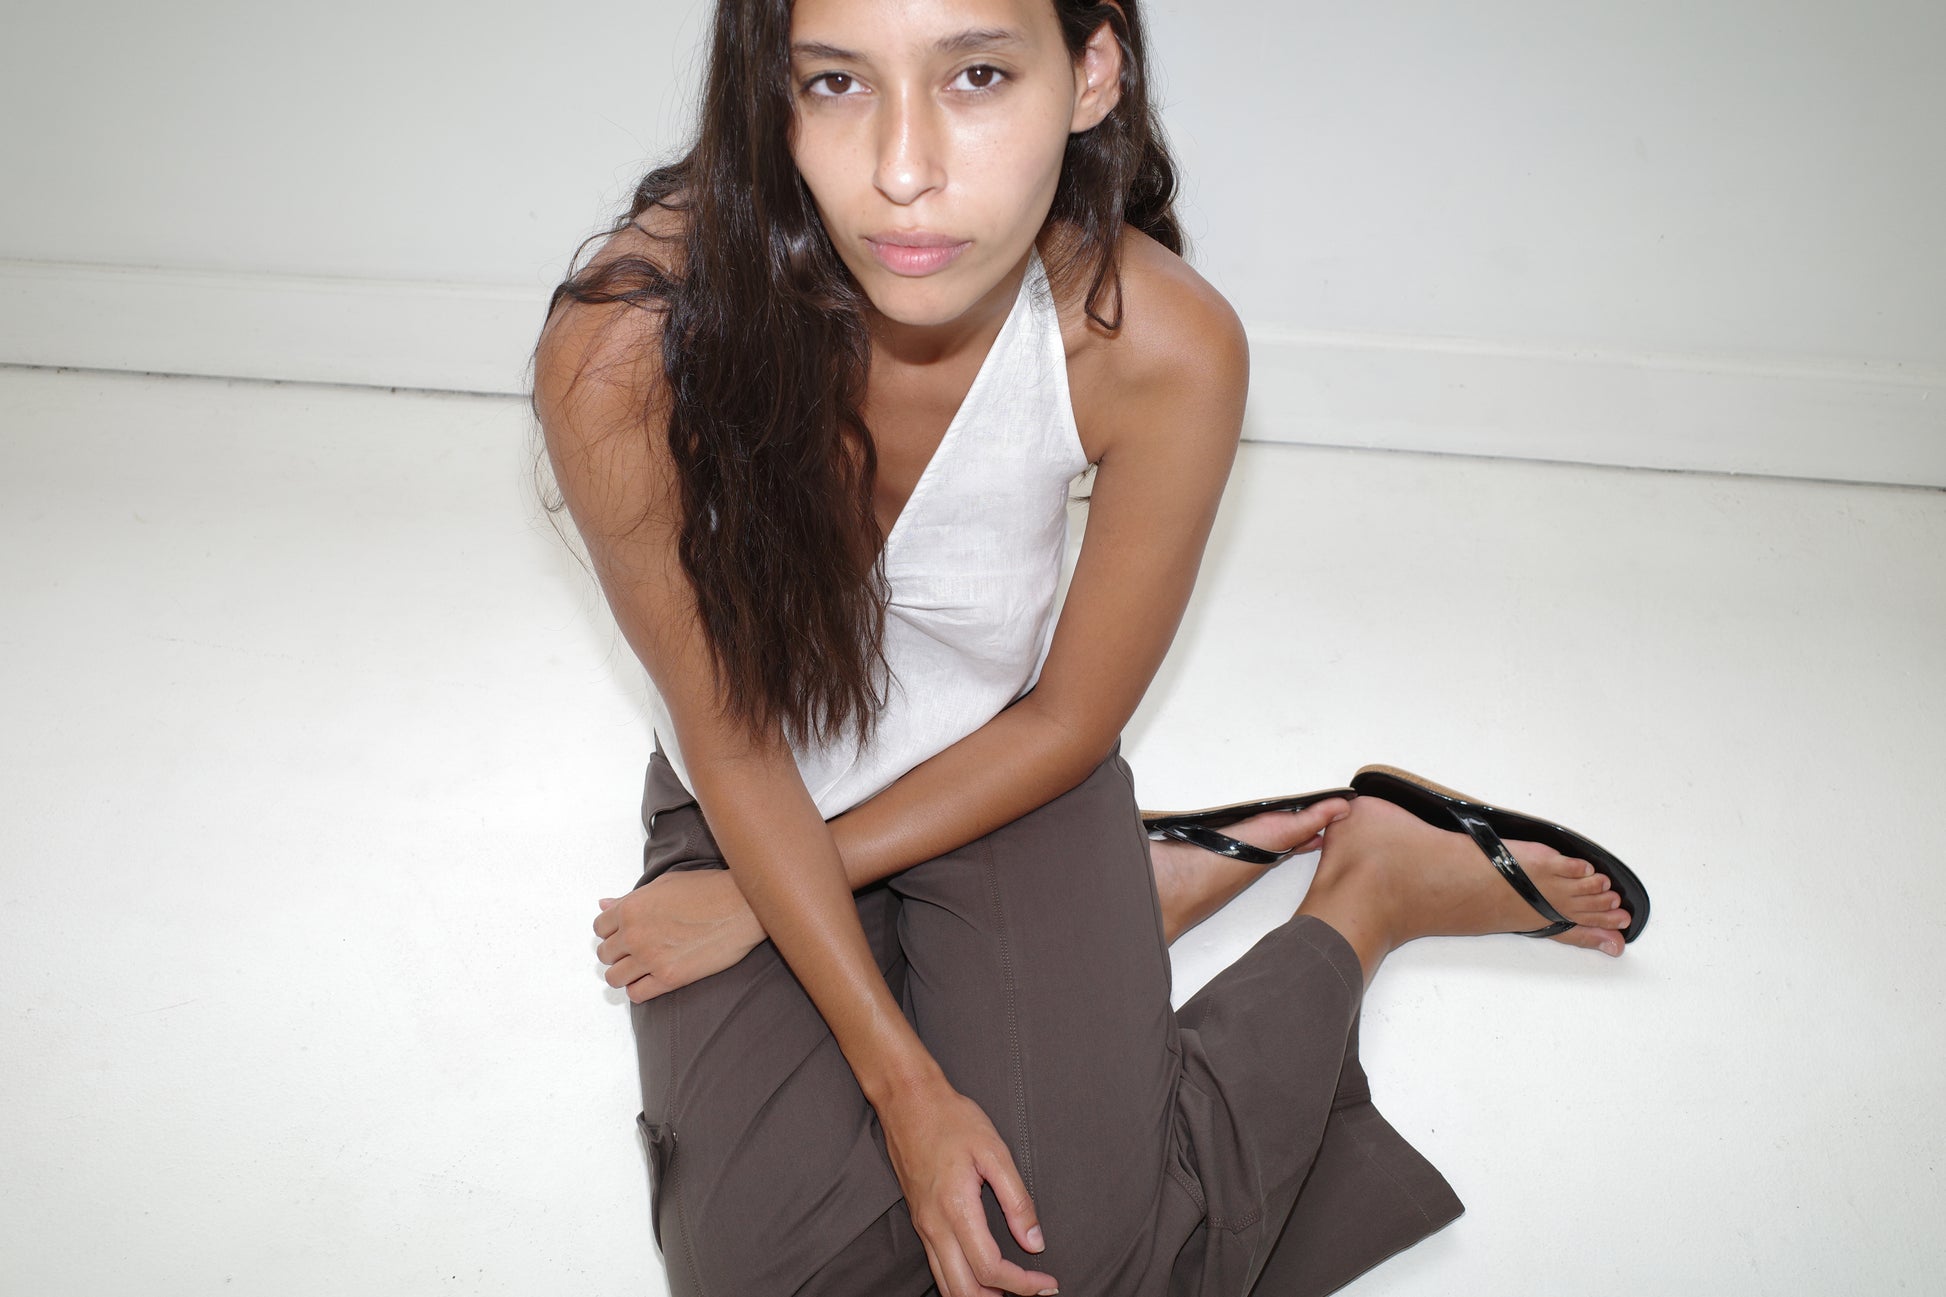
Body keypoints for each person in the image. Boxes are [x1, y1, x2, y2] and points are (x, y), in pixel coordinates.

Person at [528, 1, 1649, 1293]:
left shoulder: (1158, 341)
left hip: (1004, 774)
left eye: (979, 75)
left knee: (1078, 1263)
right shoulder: (621, 346)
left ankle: (1365, 892)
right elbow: (727, 732)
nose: (903, 166)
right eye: (835, 81)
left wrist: (765, 907)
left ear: (1091, 70)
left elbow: (1063, 720)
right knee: (757, 1274)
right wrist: (905, 1086)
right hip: (750, 794)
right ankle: (1136, 891)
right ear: (764, 93)